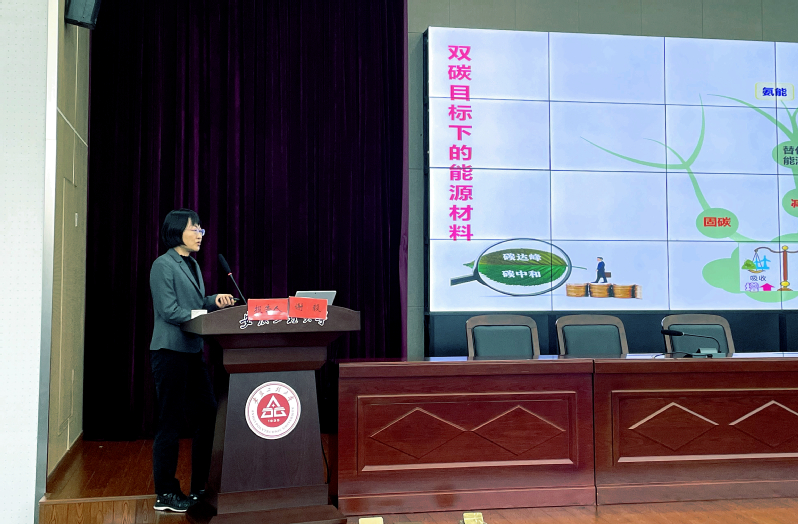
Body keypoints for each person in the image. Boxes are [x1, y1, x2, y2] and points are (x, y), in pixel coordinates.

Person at [149, 209, 235, 512]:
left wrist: (214, 301)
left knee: (207, 415)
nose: (200, 234)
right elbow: (170, 311)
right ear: (176, 231)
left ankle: (200, 485)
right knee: (170, 421)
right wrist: (204, 314)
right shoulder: (163, 265)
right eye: (194, 229)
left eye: (201, 229)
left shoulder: (192, 264)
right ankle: (166, 494)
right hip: (170, 352)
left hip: (192, 351)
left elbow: (195, 304)